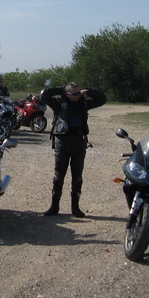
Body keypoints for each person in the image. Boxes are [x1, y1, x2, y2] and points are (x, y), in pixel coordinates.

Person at [40, 82, 107, 217]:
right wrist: (62, 89)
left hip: (79, 143)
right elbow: (44, 95)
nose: (77, 96)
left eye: (78, 93)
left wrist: (88, 91)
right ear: (67, 93)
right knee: (59, 176)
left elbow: (102, 99)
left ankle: (75, 208)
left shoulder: (84, 103)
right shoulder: (58, 103)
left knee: (77, 177)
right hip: (62, 142)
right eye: (74, 94)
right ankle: (54, 207)